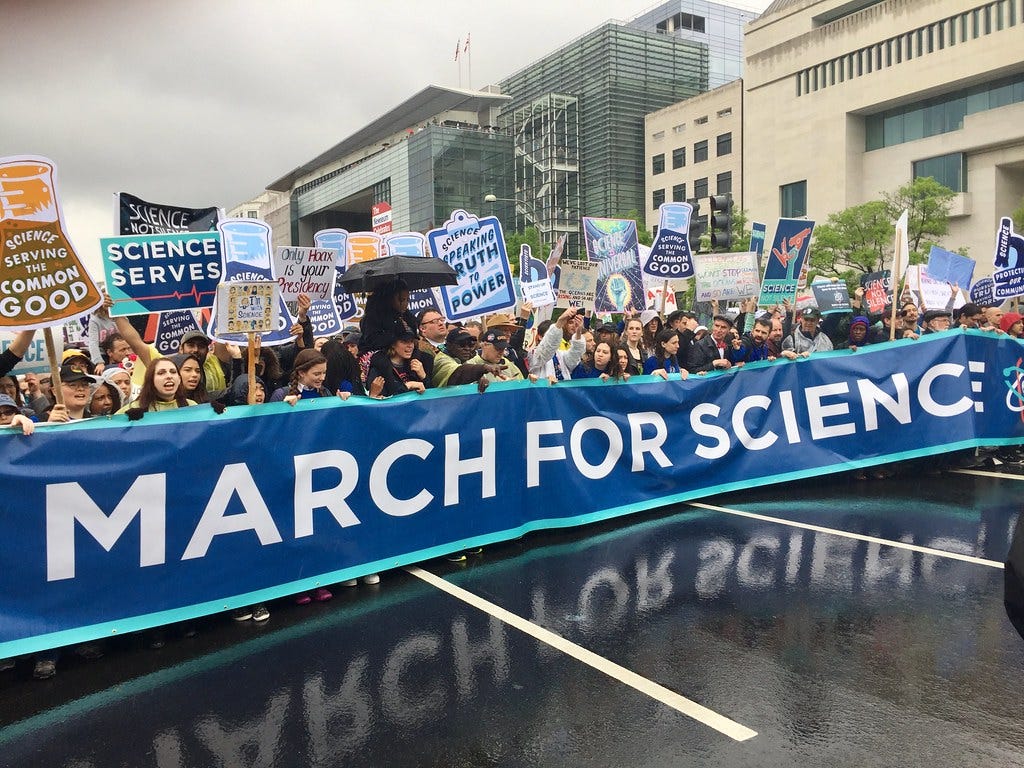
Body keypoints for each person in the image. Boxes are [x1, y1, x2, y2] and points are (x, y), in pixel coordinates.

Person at [118, 357, 197, 414]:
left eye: (173, 372)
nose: (169, 376)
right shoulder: (132, 410)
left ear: (179, 379)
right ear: (151, 380)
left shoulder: (192, 407)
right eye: (161, 373)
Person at [367, 329, 429, 396]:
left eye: (412, 341)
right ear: (393, 344)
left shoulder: (419, 362)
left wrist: (424, 377)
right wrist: (408, 385)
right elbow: (383, 400)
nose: (410, 346)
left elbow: (431, 396)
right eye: (404, 342)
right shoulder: (379, 367)